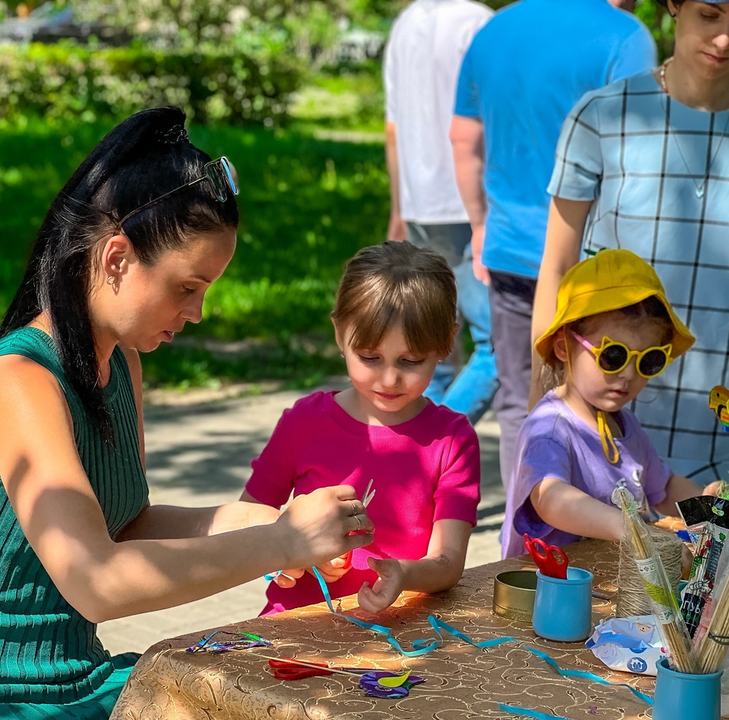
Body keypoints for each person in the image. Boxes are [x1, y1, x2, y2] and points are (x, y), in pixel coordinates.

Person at [0, 107, 374, 719]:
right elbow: (98, 581)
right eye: (187, 287)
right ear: (116, 259)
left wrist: (277, 526)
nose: (198, 313)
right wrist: (279, 542)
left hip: (70, 679)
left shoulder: (119, 364)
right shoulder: (19, 382)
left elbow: (130, 525)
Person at [534, 0, 729, 483]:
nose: (724, 39)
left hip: (728, 436)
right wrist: (543, 418)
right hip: (601, 440)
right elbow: (557, 267)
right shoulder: (601, 116)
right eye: (710, 15)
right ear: (674, 5)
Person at [450, 0, 657, 489]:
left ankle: (523, 549)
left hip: (509, 250)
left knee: (522, 405)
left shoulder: (495, 29)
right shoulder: (626, 36)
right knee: (611, 409)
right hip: (598, 268)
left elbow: (464, 139)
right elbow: (642, 155)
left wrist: (479, 225)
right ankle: (598, 547)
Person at [240, 241, 481, 615]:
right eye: (370, 357)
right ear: (340, 335)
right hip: (295, 628)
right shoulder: (304, 422)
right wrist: (285, 554)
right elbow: (247, 519)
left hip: (401, 634)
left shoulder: (452, 439)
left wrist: (403, 574)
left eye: (411, 360)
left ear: (446, 342)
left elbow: (448, 564)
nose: (389, 378)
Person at [501, 249, 709, 558]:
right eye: (614, 356)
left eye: (649, 361)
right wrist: (629, 528)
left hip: (609, 588)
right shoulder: (550, 427)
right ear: (563, 347)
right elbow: (550, 498)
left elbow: (663, 490)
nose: (628, 375)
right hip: (546, 594)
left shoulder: (625, 425)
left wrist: (712, 509)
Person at [383, 0, 498, 423]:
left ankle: (418, 463)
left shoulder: (405, 23)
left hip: (420, 204)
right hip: (472, 204)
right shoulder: (479, 22)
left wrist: (399, 206)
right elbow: (493, 118)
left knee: (429, 345)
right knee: (498, 347)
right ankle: (428, 445)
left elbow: (392, 128)